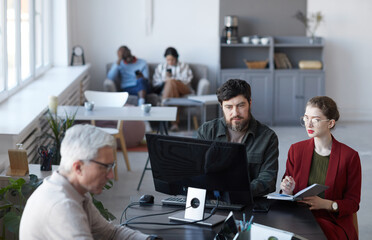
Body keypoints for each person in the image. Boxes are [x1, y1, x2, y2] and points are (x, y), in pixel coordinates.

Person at [20, 125, 150, 240]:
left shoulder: (75, 191)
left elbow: (110, 233)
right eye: (104, 167)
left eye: (111, 166)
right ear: (78, 167)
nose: (111, 175)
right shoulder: (63, 207)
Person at [280, 96, 361, 240]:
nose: (308, 124)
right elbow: (286, 195)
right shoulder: (296, 150)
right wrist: (287, 190)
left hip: (332, 222)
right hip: (300, 219)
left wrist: (327, 204)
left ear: (330, 123)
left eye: (316, 120)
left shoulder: (350, 157)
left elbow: (353, 204)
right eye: (306, 118)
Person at [197, 79, 279, 197]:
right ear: (221, 107)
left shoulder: (268, 137)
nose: (235, 113)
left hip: (249, 202)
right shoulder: (206, 131)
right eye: (229, 107)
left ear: (250, 103)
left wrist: (236, 191)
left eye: (240, 106)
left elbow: (268, 180)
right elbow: (195, 171)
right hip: (211, 200)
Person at [152, 47, 193, 131]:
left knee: (171, 82)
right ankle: (174, 124)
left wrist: (172, 80)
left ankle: (163, 107)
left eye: (172, 60)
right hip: (170, 91)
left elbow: (187, 80)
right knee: (172, 90)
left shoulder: (183, 65)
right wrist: (165, 80)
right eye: (168, 60)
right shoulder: (161, 67)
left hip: (184, 89)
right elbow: (155, 82)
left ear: (176, 58)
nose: (170, 62)